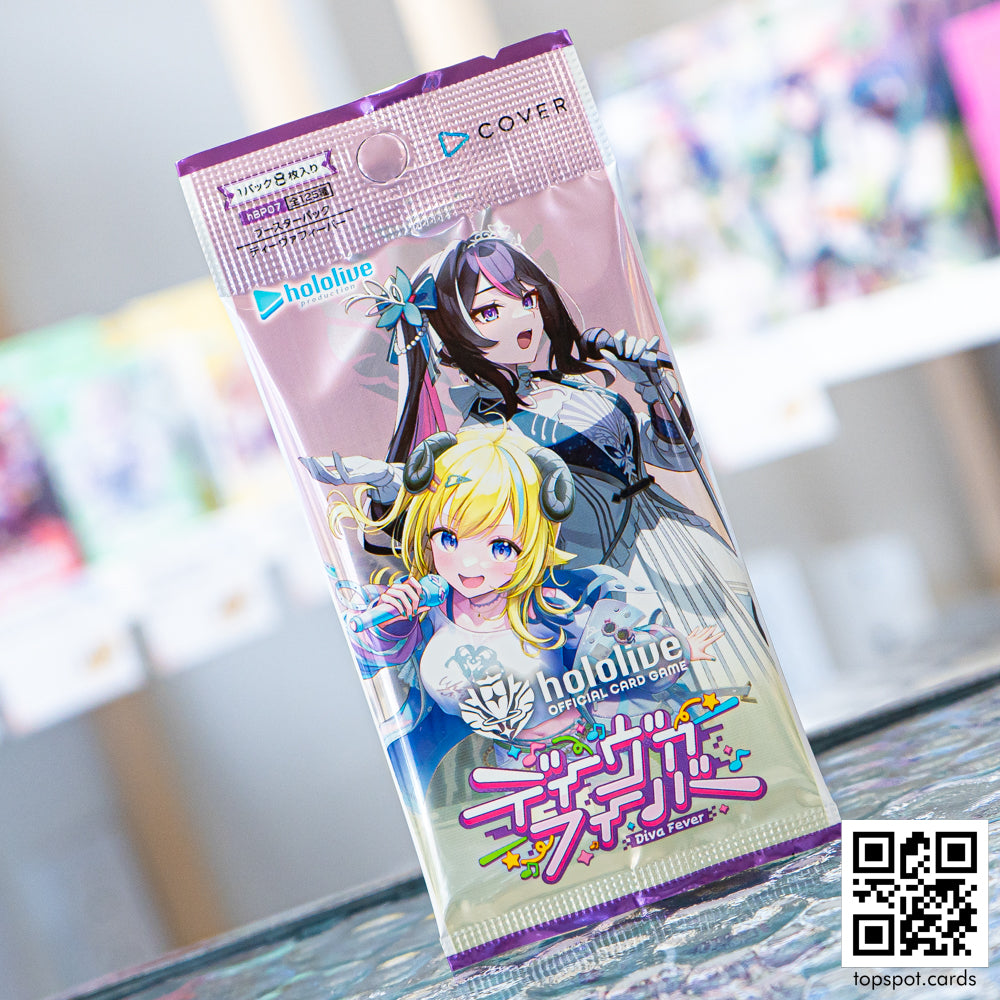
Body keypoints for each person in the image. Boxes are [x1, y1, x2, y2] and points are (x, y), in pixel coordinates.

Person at [304, 233, 774, 689]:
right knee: (683, 686)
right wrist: (389, 481)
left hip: (684, 540)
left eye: (527, 299)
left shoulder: (578, 386)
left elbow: (675, 456)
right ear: (453, 334)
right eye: (490, 311)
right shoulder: (484, 434)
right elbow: (455, 501)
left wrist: (653, 388)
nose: (522, 317)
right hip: (608, 578)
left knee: (750, 671)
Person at [327, 425, 722, 797]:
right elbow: (367, 658)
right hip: (507, 766)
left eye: (500, 547)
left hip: (590, 748)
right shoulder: (427, 611)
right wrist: (393, 623)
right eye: (448, 538)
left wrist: (672, 650)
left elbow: (623, 661)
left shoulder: (550, 605)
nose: (469, 564)